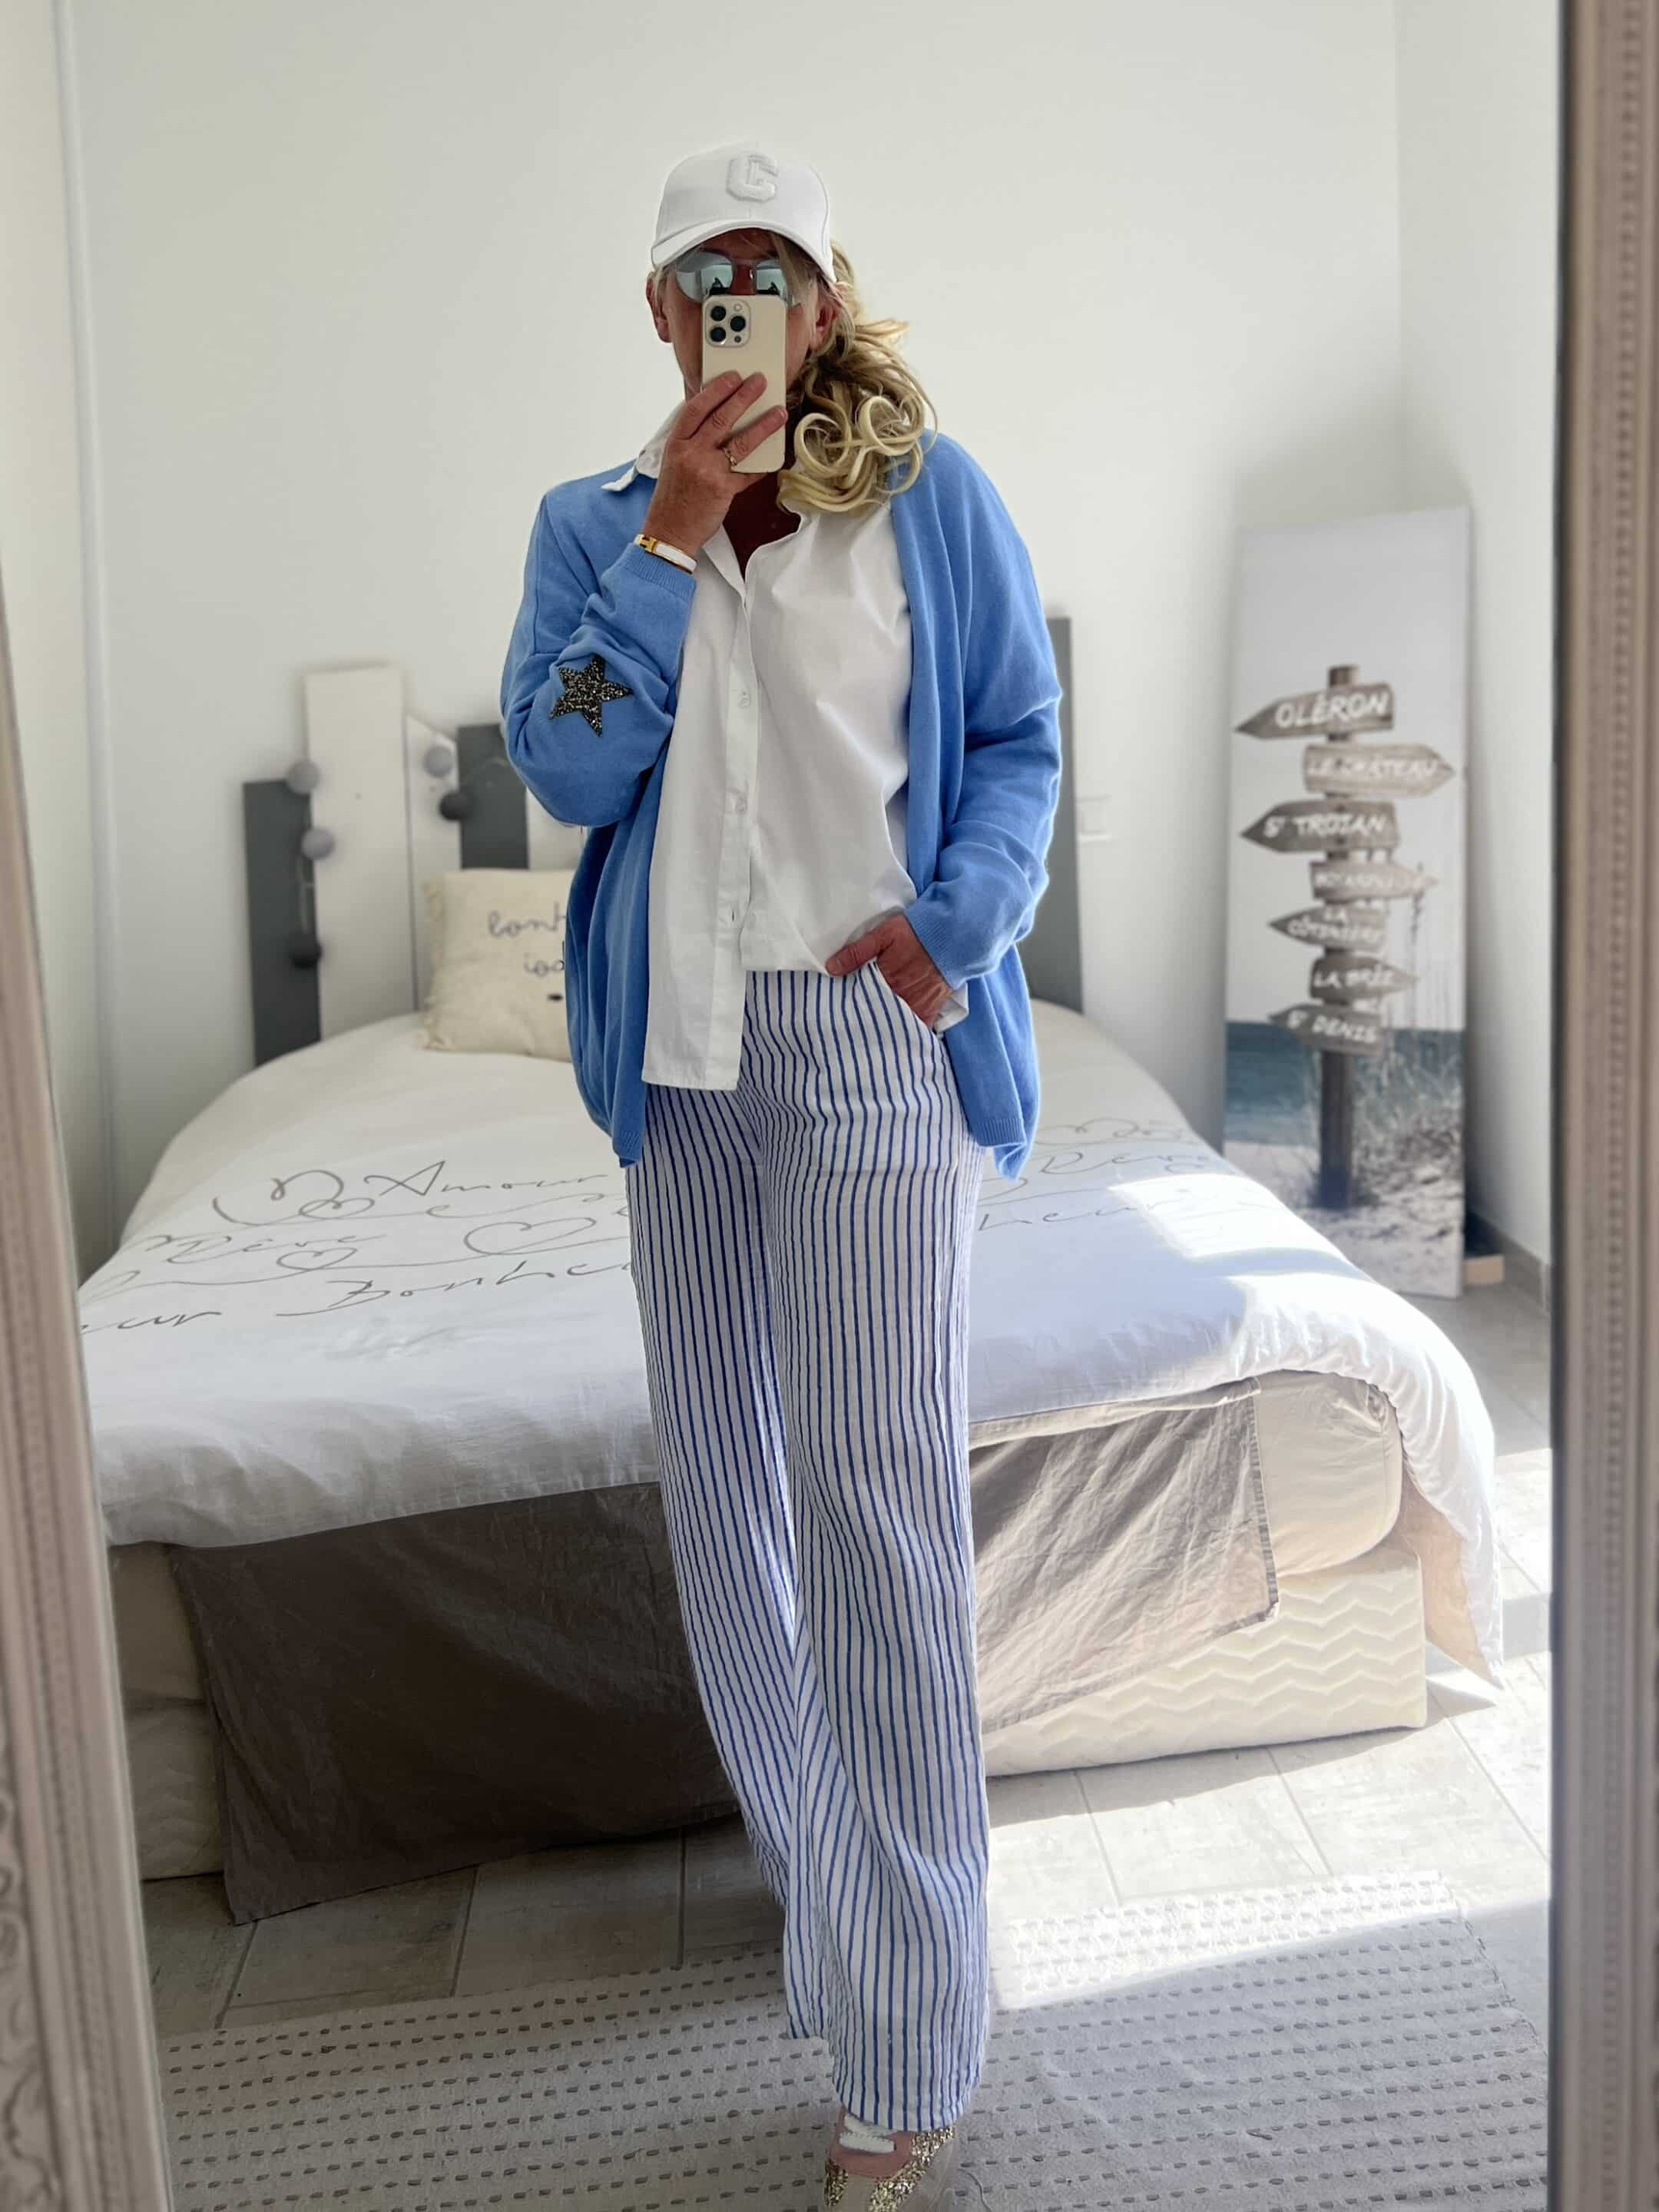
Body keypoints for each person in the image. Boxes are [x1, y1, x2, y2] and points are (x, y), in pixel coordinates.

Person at [500, 140, 1063, 2212]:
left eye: (779, 270)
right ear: (664, 311)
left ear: (825, 302)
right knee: (726, 1504)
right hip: (682, 1054)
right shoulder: (591, 525)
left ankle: (913, 2044)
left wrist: (963, 918)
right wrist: (664, 540)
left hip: (872, 1033)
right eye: (708, 272)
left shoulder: (932, 499)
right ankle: (840, 1910)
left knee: (875, 1503)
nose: (745, 298)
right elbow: (566, 760)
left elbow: (1017, 741)